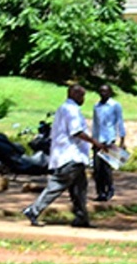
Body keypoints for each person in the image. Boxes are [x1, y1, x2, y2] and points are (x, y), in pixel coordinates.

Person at [23, 84, 107, 228]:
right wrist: (95, 142)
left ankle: (81, 217)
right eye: (81, 96)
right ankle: (33, 210)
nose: (83, 99)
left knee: (80, 188)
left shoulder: (64, 108)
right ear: (74, 95)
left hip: (74, 156)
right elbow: (76, 132)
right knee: (58, 184)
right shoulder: (71, 110)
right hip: (70, 156)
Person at [91, 84, 126, 202]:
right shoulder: (96, 106)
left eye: (105, 91)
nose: (103, 93)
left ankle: (110, 190)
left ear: (110, 92)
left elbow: (120, 122)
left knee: (106, 168)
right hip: (98, 140)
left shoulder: (115, 105)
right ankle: (100, 192)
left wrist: (122, 140)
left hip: (109, 139)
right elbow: (95, 124)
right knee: (97, 169)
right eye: (101, 91)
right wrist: (93, 140)